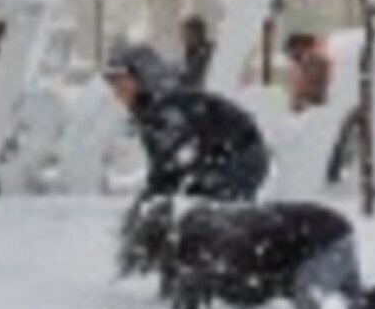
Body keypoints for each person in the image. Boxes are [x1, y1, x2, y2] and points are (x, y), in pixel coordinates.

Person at [120, 195, 375, 309]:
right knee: (354, 307)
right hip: (319, 234)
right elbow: (189, 293)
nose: (149, 265)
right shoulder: (194, 235)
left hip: (323, 241)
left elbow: (235, 290)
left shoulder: (205, 243)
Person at [104, 43, 268, 206]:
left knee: (202, 204)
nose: (116, 89)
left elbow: (171, 166)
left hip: (237, 156)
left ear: (143, 77)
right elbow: (163, 168)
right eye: (113, 82)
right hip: (217, 158)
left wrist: (147, 203)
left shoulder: (166, 108)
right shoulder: (151, 108)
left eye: (122, 80)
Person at [284, 32, 332, 112]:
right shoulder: (300, 64)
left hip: (316, 110)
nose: (291, 56)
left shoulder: (317, 62)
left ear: (300, 46)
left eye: (292, 51)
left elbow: (316, 92)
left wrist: (300, 99)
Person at [179, 15, 214, 89]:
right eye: (184, 34)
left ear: (198, 34)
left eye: (188, 34)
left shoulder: (206, 51)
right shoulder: (191, 51)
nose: (184, 38)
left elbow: (194, 77)